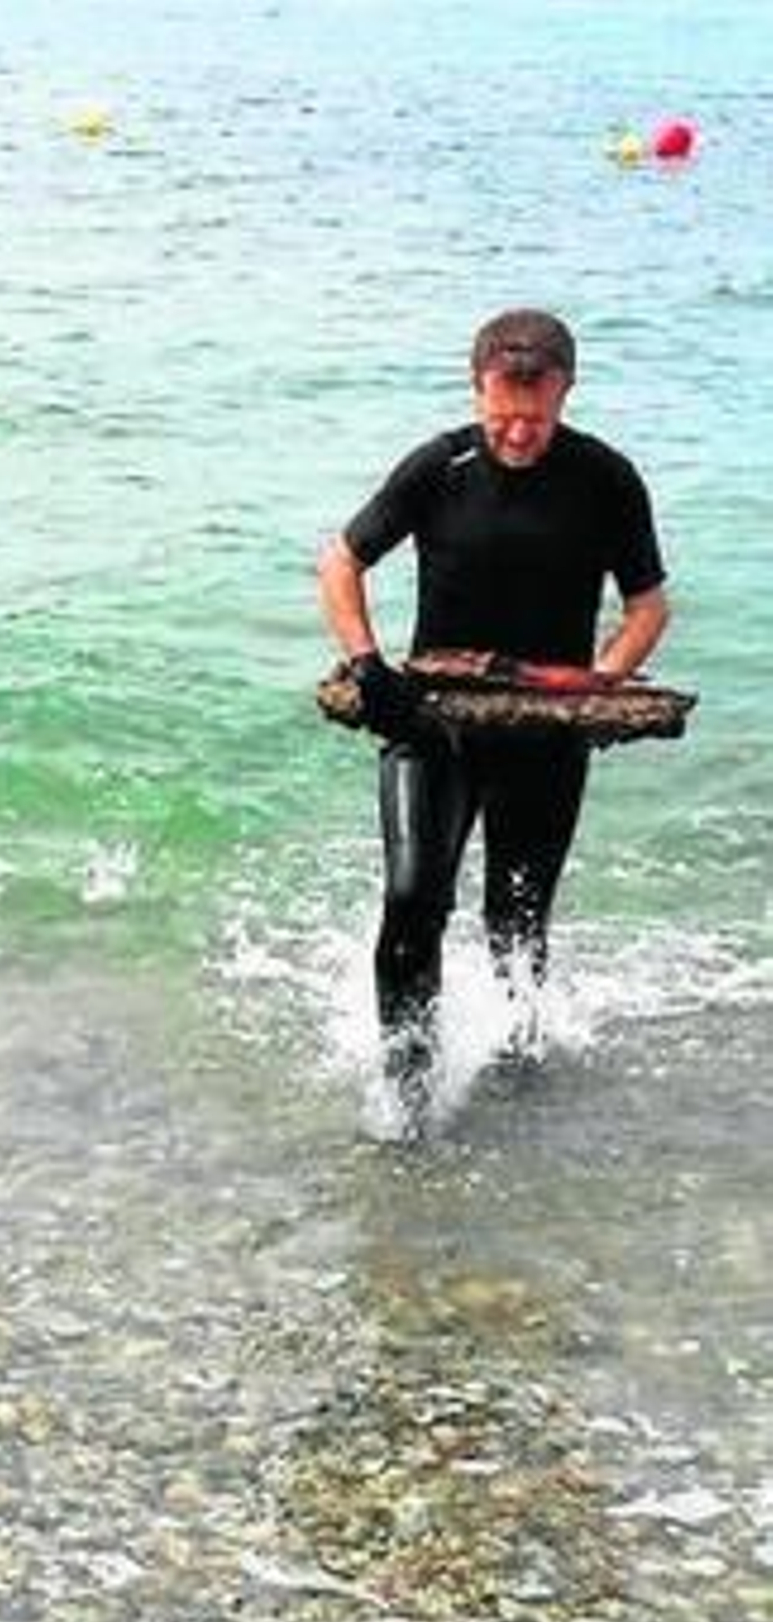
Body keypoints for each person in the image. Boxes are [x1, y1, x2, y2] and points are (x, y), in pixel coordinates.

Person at [317, 308, 670, 1097]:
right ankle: (405, 1097)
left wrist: (599, 682)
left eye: (536, 418)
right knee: (412, 902)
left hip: (546, 736)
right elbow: (340, 562)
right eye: (503, 415)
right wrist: (369, 667)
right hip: (430, 720)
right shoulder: (437, 468)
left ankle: (518, 1082)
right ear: (476, 388)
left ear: (565, 394)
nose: (518, 434)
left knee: (517, 924)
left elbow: (648, 606)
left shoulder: (606, 479)